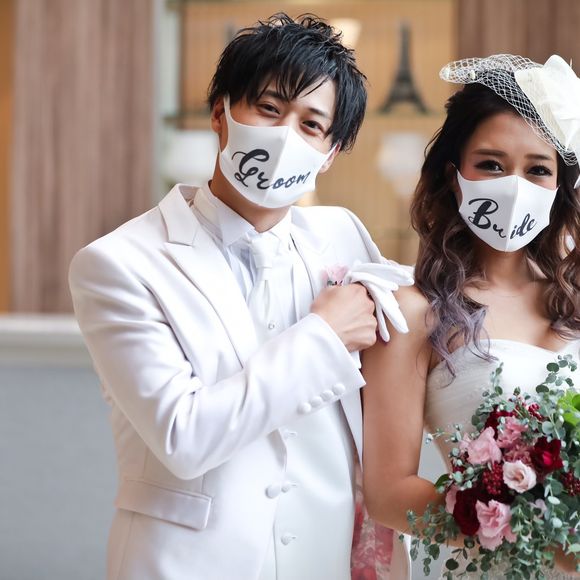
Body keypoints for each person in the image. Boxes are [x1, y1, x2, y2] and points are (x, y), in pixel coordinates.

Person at [69, 13, 412, 580]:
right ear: (220, 114)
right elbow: (183, 436)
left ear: (330, 153)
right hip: (189, 565)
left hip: (322, 559)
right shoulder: (118, 264)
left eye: (311, 125)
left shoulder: (342, 234)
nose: (284, 137)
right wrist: (323, 337)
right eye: (269, 109)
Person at [362, 53, 580, 578]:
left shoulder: (574, 301)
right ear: (454, 176)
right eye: (491, 165)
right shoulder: (416, 313)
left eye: (537, 170)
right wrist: (536, 534)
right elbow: (387, 494)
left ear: (559, 189)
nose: (514, 185)